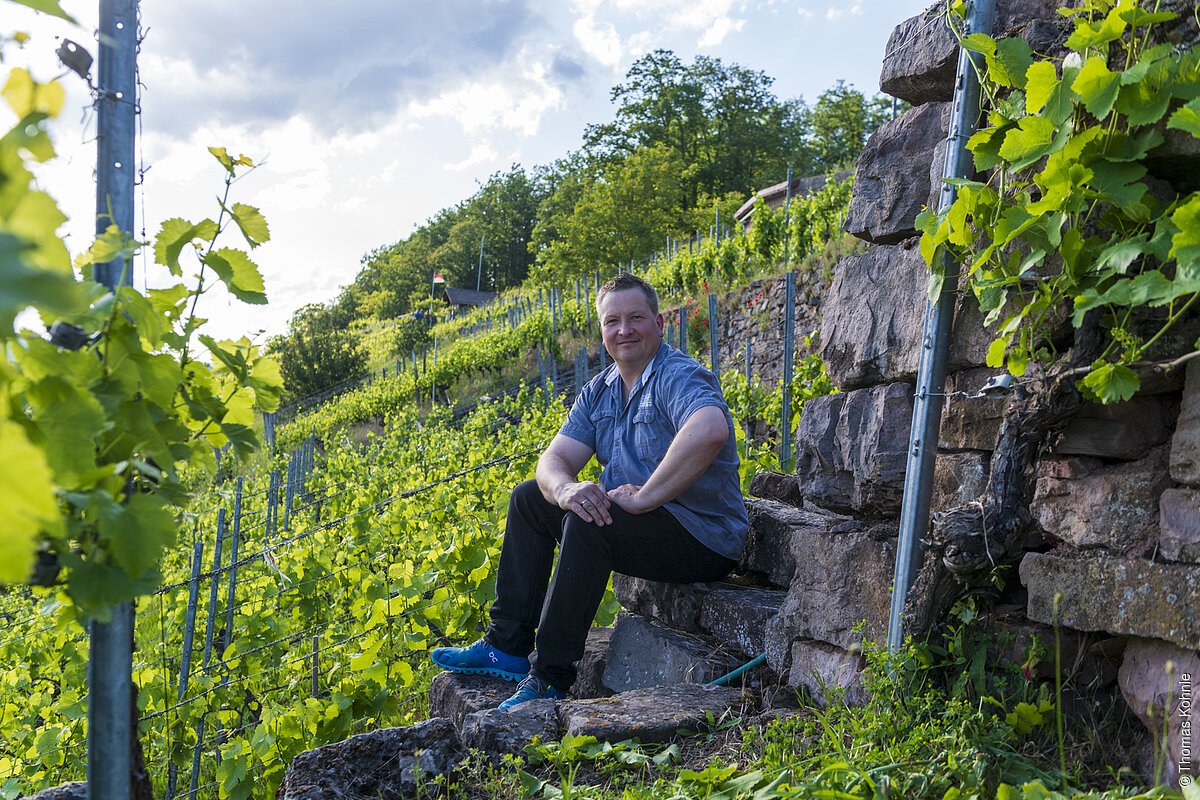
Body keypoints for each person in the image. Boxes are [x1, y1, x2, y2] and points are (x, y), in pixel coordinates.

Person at [431, 272, 748, 709]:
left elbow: (710, 429)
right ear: (601, 332)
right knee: (529, 499)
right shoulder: (599, 392)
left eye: (635, 317)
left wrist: (644, 498)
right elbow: (552, 462)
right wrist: (565, 490)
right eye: (612, 321)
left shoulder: (679, 376)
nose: (624, 330)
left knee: (588, 526)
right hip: (643, 529)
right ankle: (506, 647)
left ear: (659, 323)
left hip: (703, 537)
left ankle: (550, 679)